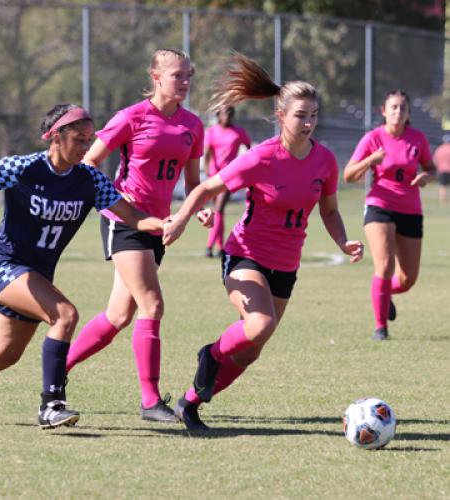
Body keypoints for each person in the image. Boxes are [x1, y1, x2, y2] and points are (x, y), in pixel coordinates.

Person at [162, 53, 364, 431]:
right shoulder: (261, 157)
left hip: (286, 265)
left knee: (251, 351)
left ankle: (190, 403)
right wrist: (181, 219)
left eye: (314, 115)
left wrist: (343, 241)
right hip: (245, 256)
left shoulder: (324, 161)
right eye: (301, 115)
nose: (308, 123)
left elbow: (330, 211)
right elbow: (206, 187)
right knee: (259, 325)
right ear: (281, 115)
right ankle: (210, 353)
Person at [0, 104, 164, 427]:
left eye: (90, 140)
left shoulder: (90, 179)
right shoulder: (26, 168)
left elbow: (132, 217)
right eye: (79, 139)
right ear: (55, 137)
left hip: (36, 275)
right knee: (65, 314)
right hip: (3, 265)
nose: (86, 147)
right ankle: (51, 406)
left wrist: (170, 222)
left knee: (5, 354)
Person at [65, 48, 212, 423]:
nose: (184, 81)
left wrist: (200, 208)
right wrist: (115, 199)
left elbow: (193, 182)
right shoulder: (132, 117)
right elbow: (88, 161)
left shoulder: (193, 126)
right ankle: (150, 402)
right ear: (156, 77)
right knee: (153, 305)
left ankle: (57, 366)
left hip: (159, 225)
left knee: (118, 316)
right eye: (177, 75)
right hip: (125, 220)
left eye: (187, 75)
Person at [344, 90, 436, 341]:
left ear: (408, 113)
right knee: (384, 266)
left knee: (408, 279)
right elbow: (348, 175)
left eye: (403, 108)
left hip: (410, 208)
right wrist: (370, 160)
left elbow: (430, 167)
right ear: (383, 111)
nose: (398, 112)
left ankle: (384, 294)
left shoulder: (417, 139)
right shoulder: (373, 139)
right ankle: (380, 327)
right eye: (393, 107)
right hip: (379, 204)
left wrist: (427, 176)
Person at [203, 105, 251, 257]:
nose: (228, 116)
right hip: (213, 177)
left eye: (231, 113)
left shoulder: (239, 132)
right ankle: (219, 247)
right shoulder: (211, 132)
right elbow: (207, 153)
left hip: (229, 177)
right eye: (225, 113)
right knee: (218, 213)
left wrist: (243, 166)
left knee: (218, 209)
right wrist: (206, 171)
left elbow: (250, 150)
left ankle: (209, 247)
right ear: (219, 114)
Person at [433, 138, 450, 206]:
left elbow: (435, 160)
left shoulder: (439, 149)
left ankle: (443, 199)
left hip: (442, 170)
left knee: (443, 186)